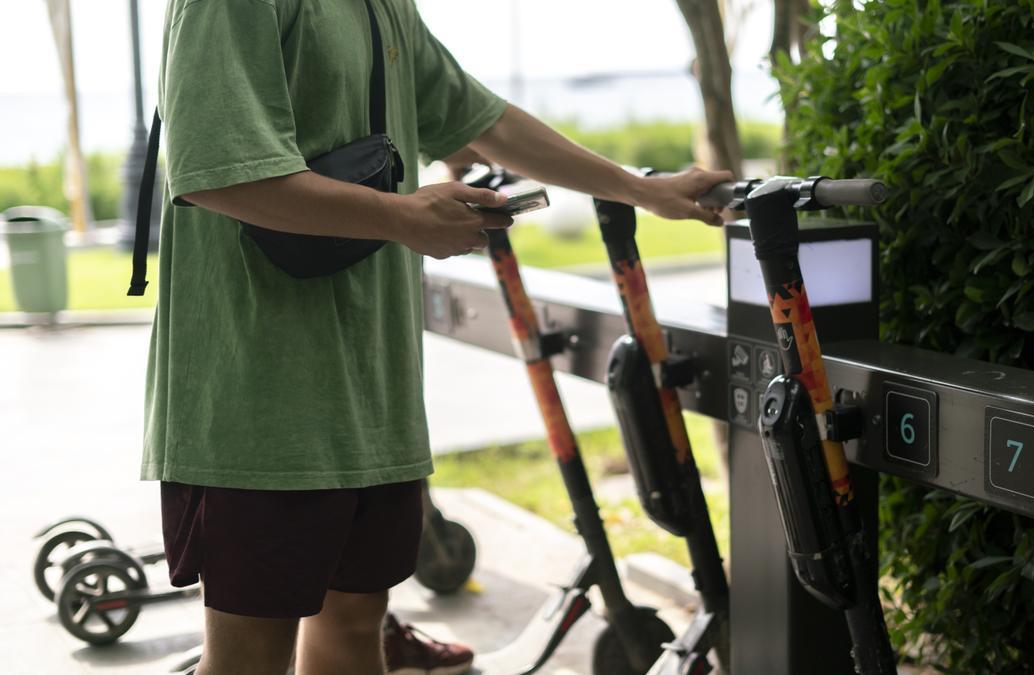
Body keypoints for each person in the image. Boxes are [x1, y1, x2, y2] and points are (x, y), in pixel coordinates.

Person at [144, 1, 732, 674]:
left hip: (375, 388)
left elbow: (482, 120)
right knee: (252, 652)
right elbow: (218, 169)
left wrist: (643, 189)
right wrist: (402, 216)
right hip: (258, 396)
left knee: (357, 622)